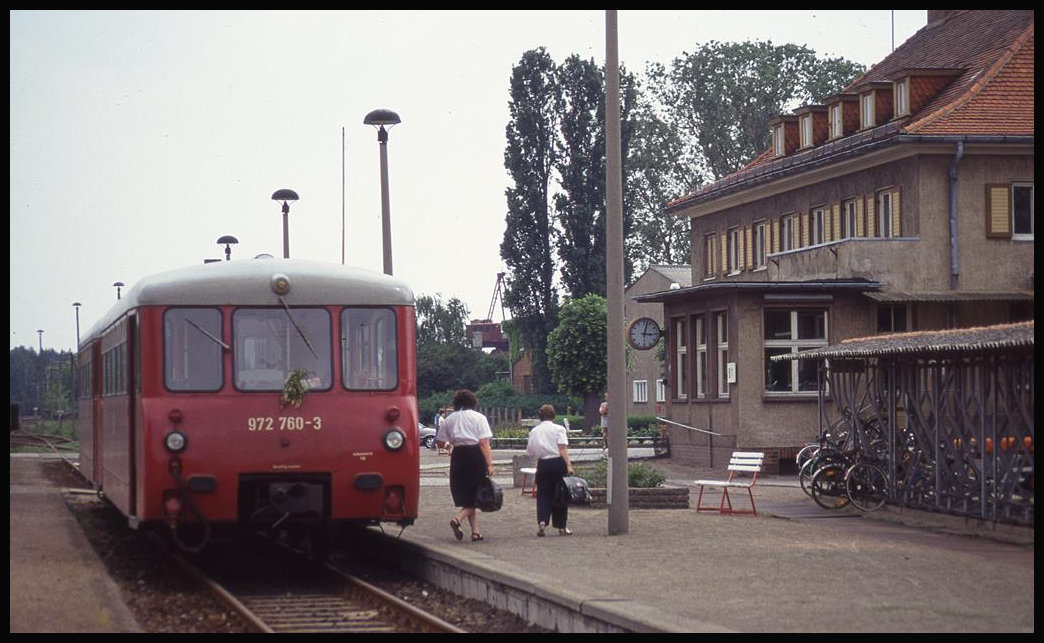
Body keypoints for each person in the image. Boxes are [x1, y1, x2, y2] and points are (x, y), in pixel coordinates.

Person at [435, 390, 494, 542]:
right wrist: (489, 464)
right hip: (474, 455)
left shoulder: (450, 419)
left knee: (468, 494)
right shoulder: (479, 417)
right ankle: (458, 519)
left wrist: (449, 445)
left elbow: (440, 441)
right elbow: (483, 443)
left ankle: (475, 532)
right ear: (472, 402)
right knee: (476, 494)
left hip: (458, 456)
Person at [526, 404, 575, 537]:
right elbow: (562, 448)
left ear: (540, 416)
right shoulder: (559, 429)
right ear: (553, 415)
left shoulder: (534, 431)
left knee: (543, 494)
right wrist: (569, 465)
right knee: (560, 494)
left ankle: (542, 521)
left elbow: (530, 451)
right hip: (557, 463)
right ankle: (561, 526)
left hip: (543, 464)